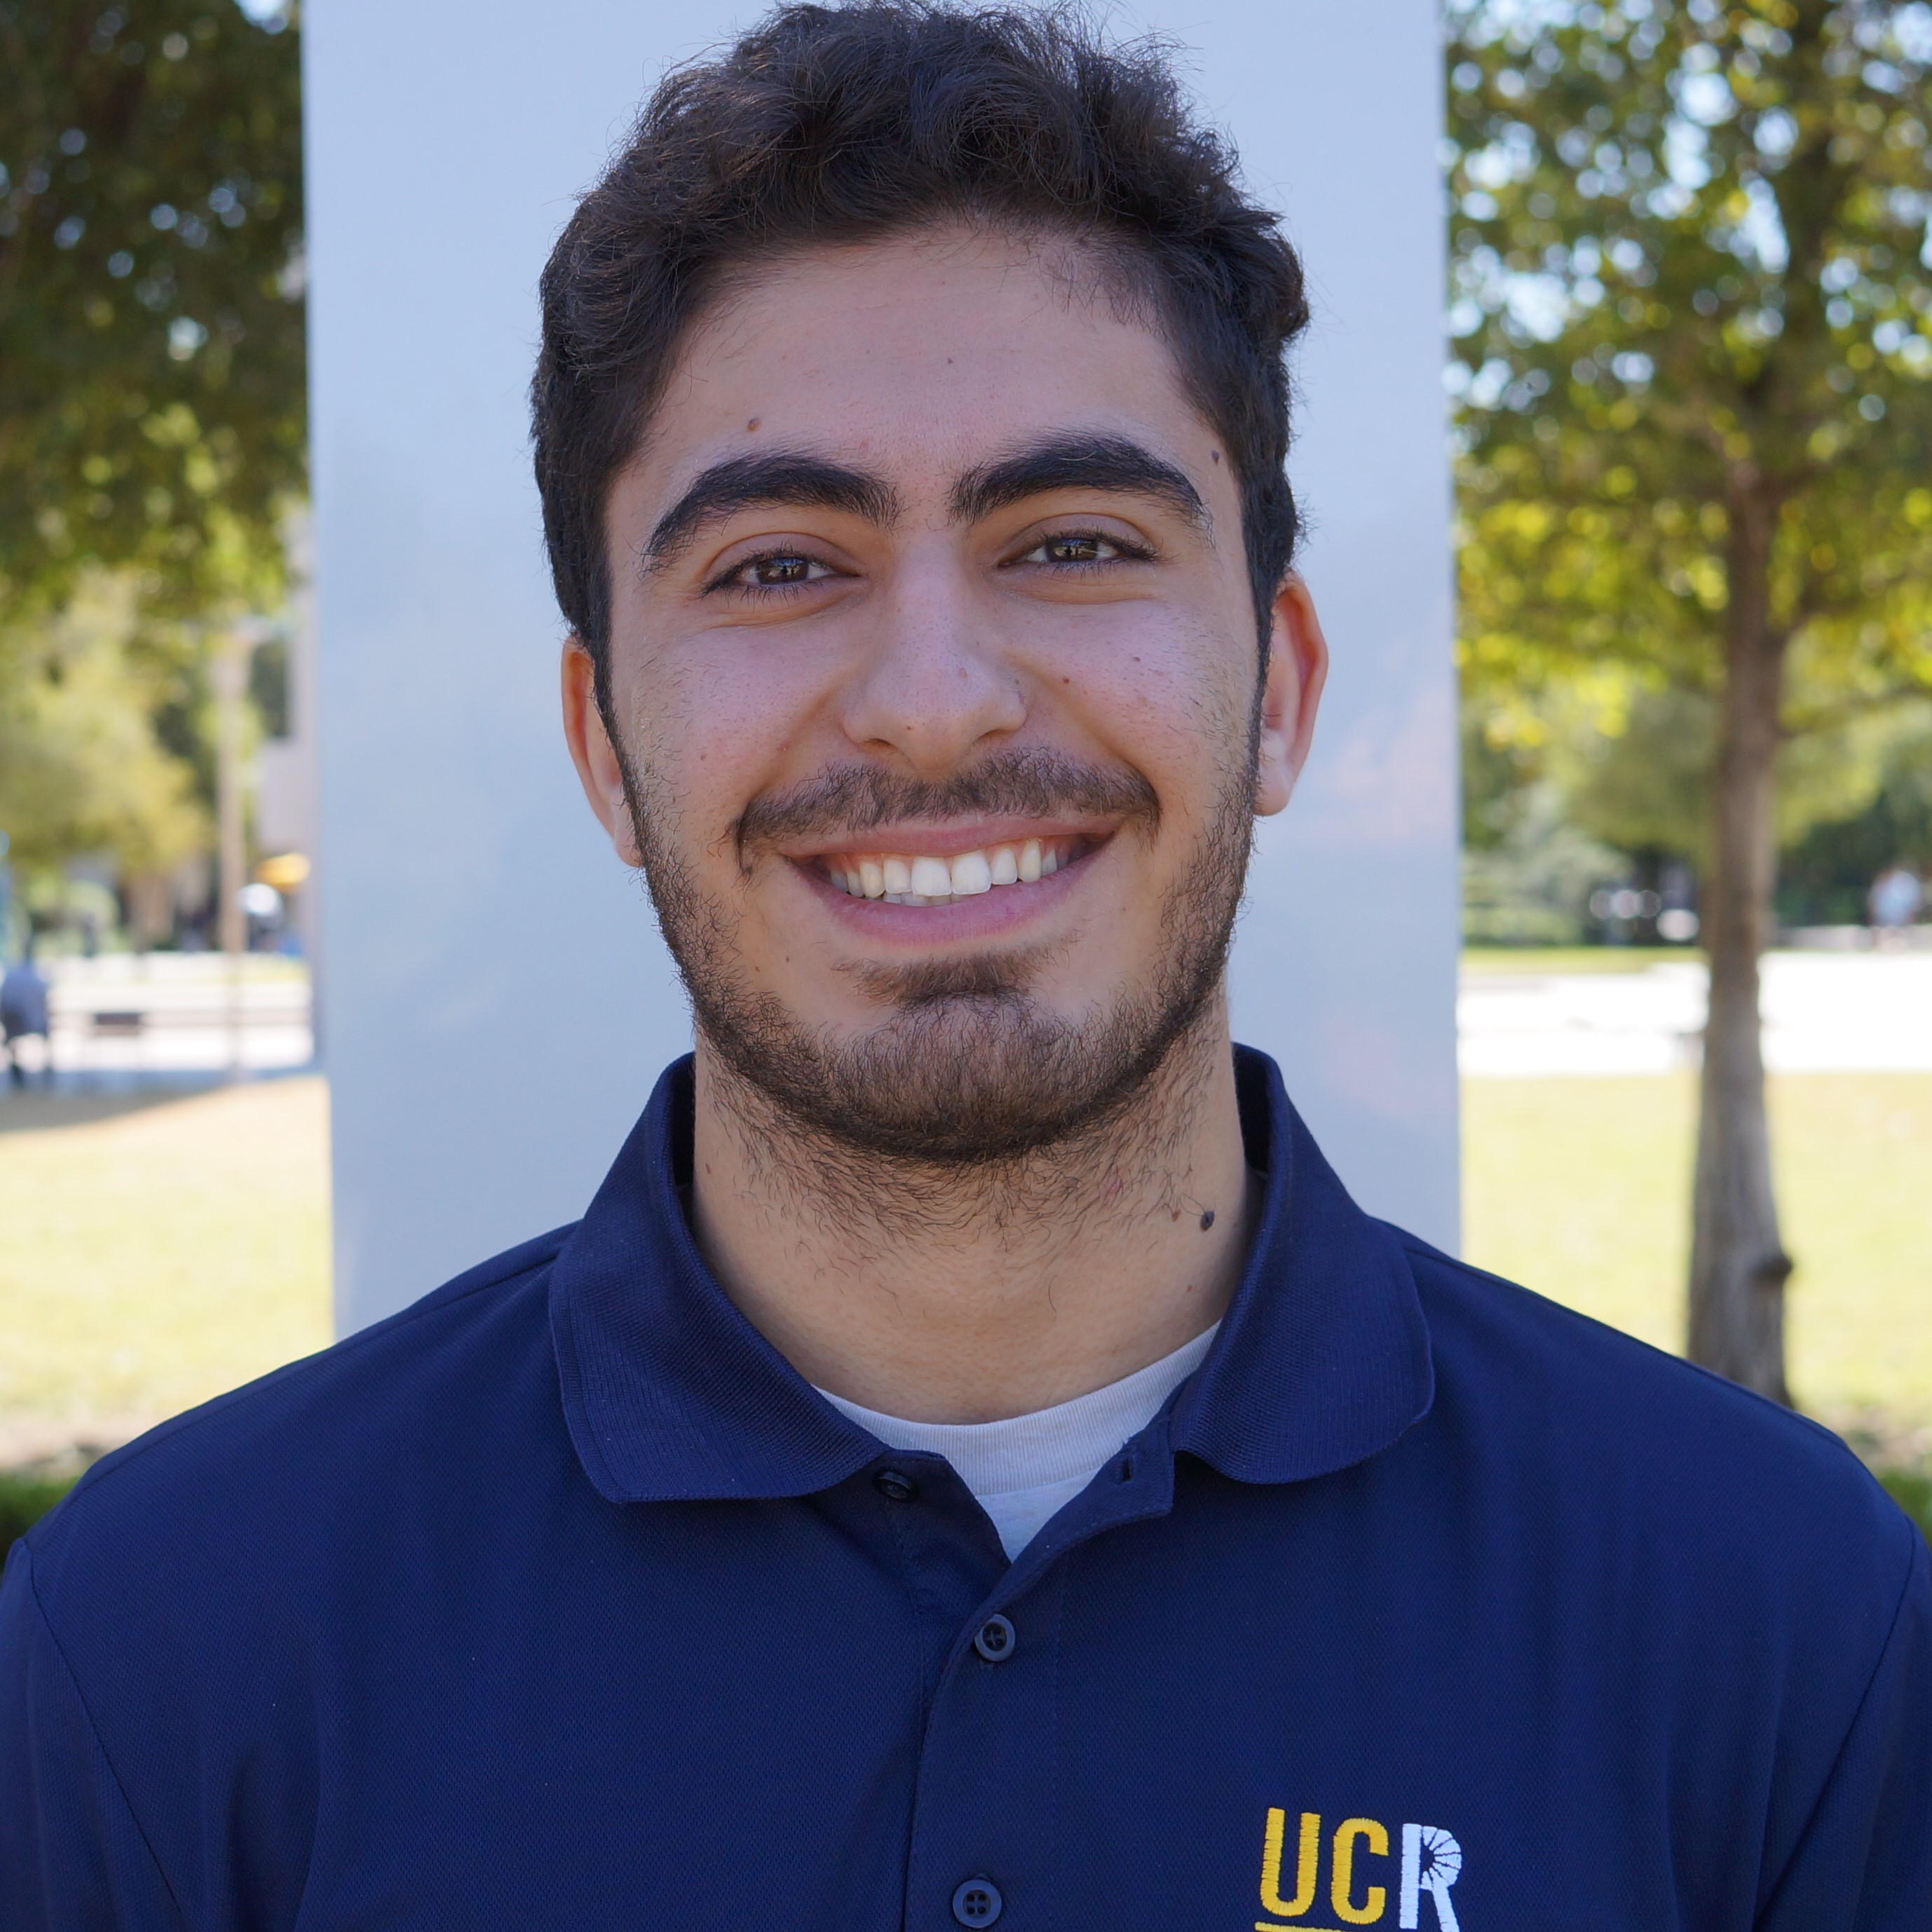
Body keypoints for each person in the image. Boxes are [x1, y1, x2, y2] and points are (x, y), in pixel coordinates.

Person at [4, 6, 1926, 1925]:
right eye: (776, 564)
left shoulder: (1778, 1623)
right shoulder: (161, 1649)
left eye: (1071, 541)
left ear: (1277, 693)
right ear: (604, 751)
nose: (931, 702)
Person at [0, 940, 50, 1089]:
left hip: (13, 1023)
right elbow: (43, 1002)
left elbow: (4, 1001)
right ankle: (47, 1069)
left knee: (10, 1038)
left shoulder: (11, 976)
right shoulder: (36, 977)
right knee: (46, 1033)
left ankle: (16, 1068)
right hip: (32, 1022)